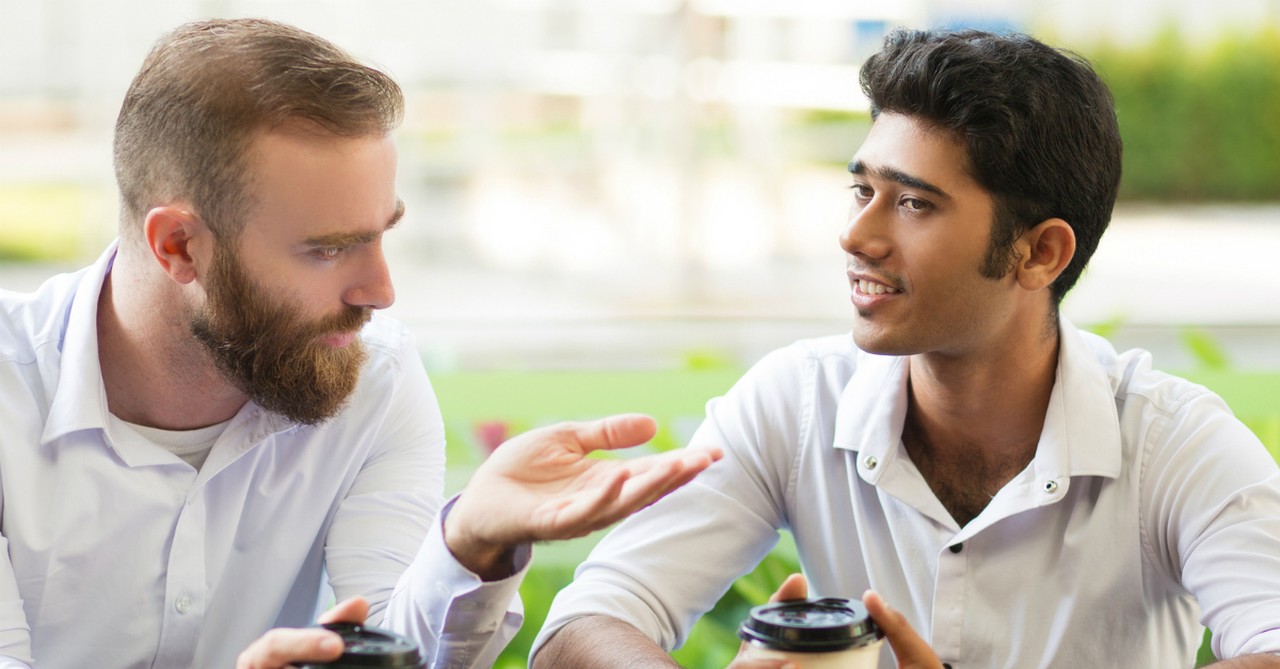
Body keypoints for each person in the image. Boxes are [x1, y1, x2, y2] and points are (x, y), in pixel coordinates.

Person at [530, 28, 1280, 669]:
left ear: (1040, 253)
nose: (856, 236)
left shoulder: (1171, 444)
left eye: (915, 202)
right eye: (863, 190)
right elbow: (585, 624)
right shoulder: (796, 402)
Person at [0, 18, 720, 669]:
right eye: (328, 249)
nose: (379, 291)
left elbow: (389, 641)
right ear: (180, 246)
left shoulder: (367, 372)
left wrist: (468, 540)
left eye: (381, 234)